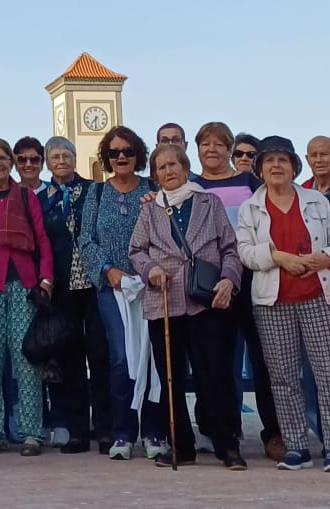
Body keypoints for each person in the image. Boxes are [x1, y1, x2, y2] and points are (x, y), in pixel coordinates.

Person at [234, 136, 330, 474]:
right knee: (283, 379)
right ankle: (296, 446)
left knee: (329, 375)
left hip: (318, 297)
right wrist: (278, 257)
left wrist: (325, 258)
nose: (276, 166)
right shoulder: (250, 208)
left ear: (293, 166)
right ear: (259, 169)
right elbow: (244, 252)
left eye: (282, 160)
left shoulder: (316, 201)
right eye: (269, 161)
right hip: (272, 302)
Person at [128, 140, 246, 468]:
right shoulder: (150, 209)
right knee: (171, 378)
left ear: (185, 167)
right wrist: (151, 270)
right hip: (164, 302)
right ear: (155, 174)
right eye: (162, 167)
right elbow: (136, 250)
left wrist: (229, 279)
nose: (169, 171)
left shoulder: (209, 202)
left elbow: (230, 248)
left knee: (215, 374)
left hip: (204, 301)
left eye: (174, 165)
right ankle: (181, 445)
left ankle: (226, 443)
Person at [190, 121, 277, 459]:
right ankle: (218, 432)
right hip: (211, 286)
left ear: (230, 149)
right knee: (215, 363)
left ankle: (274, 434)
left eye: (219, 144)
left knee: (264, 361)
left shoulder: (250, 184)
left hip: (253, 282)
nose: (212, 150)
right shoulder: (191, 187)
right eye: (205, 144)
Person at [76, 125, 160, 460]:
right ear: (107, 158)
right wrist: (108, 270)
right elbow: (85, 239)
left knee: (151, 357)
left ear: (138, 154)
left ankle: (154, 432)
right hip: (112, 287)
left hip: (151, 284)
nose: (121, 156)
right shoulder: (95, 195)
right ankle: (123, 432)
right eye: (114, 152)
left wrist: (151, 270)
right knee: (122, 357)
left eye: (127, 151)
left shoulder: (154, 190)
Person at [0, 139, 53, 455]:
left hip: (22, 284)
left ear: (11, 163)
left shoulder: (24, 195)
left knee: (25, 358)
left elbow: (42, 239)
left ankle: (32, 432)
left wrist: (46, 278)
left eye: (4, 158)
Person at [42, 136, 109, 455]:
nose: (61, 160)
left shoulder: (94, 190)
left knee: (100, 355)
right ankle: (78, 432)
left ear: (74, 157)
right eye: (54, 156)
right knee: (70, 360)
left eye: (66, 154)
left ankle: (105, 429)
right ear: (47, 162)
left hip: (94, 284)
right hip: (62, 285)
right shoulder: (43, 197)